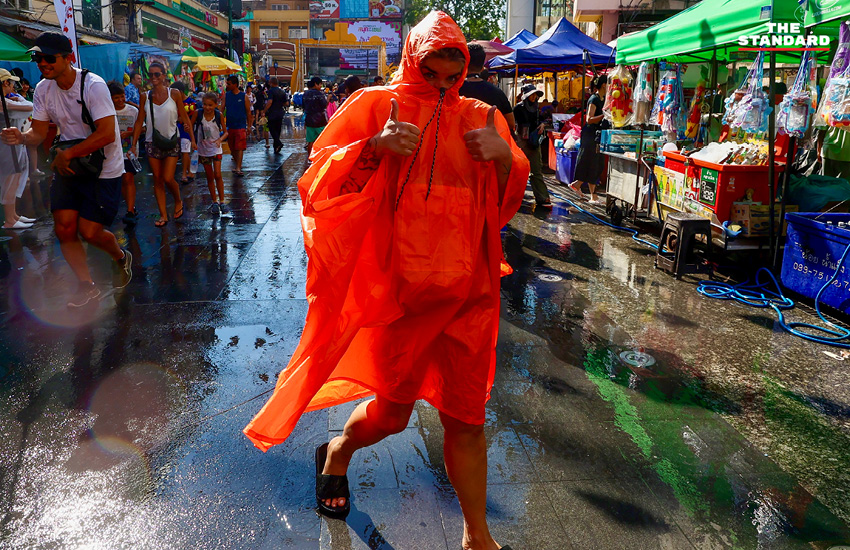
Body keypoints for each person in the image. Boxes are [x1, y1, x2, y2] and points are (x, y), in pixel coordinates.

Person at [243, 12, 530, 550]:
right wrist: (371, 148)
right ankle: (338, 453)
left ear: (464, 66)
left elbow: (508, 198)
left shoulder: (484, 115)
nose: (443, 84)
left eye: (452, 72)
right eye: (432, 71)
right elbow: (318, 182)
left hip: (471, 295)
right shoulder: (374, 105)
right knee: (393, 416)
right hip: (401, 296)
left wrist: (507, 160)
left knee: (467, 418)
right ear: (413, 61)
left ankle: (478, 539)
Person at [1, 32, 132, 307]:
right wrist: (21, 137)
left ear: (68, 58)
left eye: (49, 58)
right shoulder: (42, 90)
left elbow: (108, 133)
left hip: (103, 167)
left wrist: (67, 154)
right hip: (69, 164)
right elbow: (37, 133)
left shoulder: (93, 86)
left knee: (90, 232)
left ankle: (121, 257)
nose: (42, 64)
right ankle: (86, 286)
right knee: (63, 228)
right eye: (38, 58)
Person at [131, 61, 196, 227]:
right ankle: (163, 215)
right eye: (151, 75)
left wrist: (192, 138)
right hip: (152, 142)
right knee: (158, 180)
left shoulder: (174, 94)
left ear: (163, 76)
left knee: (168, 178)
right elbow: (139, 121)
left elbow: (185, 116)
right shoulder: (145, 96)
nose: (153, 77)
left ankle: (178, 200)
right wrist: (133, 144)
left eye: (157, 74)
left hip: (172, 140)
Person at [0, 69, 33, 229]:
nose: (14, 86)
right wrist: (19, 99)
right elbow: (30, 107)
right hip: (5, 146)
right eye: (12, 83)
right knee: (10, 179)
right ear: (6, 83)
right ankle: (9, 220)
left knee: (13, 178)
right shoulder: (3, 102)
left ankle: (13, 215)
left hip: (8, 145)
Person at [459, 43, 515, 132]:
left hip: (457, 142)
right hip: (488, 142)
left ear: (463, 64)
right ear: (482, 67)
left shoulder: (453, 90)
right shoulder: (497, 92)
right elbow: (511, 123)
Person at [570, 74, 607, 204]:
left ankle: (578, 185)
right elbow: (589, 119)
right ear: (603, 85)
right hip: (590, 135)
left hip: (598, 135)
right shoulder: (594, 99)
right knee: (592, 162)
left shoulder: (604, 99)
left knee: (597, 163)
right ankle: (592, 195)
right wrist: (604, 115)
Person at [513, 83, 551, 207]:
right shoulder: (518, 108)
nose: (534, 97)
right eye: (532, 95)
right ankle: (513, 197)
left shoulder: (536, 107)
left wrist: (542, 125)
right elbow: (512, 124)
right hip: (521, 143)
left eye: (535, 94)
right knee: (517, 171)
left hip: (533, 143)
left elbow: (543, 120)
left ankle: (542, 197)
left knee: (536, 171)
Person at [108, 81, 140, 225]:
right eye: (116, 98)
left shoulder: (133, 111)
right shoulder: (107, 112)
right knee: (121, 180)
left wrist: (130, 133)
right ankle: (130, 206)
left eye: (122, 96)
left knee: (128, 179)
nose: (120, 100)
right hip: (113, 152)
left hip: (129, 152)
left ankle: (130, 210)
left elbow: (142, 129)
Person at [194, 92, 231, 218]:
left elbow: (226, 132)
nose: (207, 107)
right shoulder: (198, 114)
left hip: (216, 149)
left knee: (218, 174)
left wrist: (220, 140)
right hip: (203, 149)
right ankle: (214, 201)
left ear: (215, 105)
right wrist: (193, 142)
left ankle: (222, 201)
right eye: (205, 104)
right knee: (210, 176)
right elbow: (189, 126)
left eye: (210, 105)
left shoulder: (218, 115)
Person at [224, 75, 252, 176]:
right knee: (232, 147)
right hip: (230, 125)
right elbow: (221, 109)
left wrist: (249, 126)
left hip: (240, 125)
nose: (227, 85)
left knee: (239, 147)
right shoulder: (226, 95)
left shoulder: (243, 96)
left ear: (235, 84)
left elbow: (248, 112)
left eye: (229, 84)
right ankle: (237, 164)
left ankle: (238, 167)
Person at [171, 82, 198, 184]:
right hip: (176, 129)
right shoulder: (174, 103)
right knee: (182, 152)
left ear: (180, 92)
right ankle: (190, 171)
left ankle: (184, 173)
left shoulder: (191, 103)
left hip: (186, 130)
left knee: (185, 151)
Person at [302, 76, 328, 157]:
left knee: (310, 141)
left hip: (309, 120)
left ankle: (310, 158)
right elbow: (324, 105)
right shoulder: (320, 94)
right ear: (316, 84)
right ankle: (321, 157)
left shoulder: (305, 94)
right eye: (320, 84)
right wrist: (328, 99)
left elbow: (303, 106)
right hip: (320, 120)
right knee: (323, 140)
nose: (321, 86)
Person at [264, 77, 287, 154]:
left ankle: (278, 143)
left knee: (272, 129)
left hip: (272, 113)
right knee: (278, 130)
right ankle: (276, 146)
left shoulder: (271, 91)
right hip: (280, 112)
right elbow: (286, 103)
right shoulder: (282, 91)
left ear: (271, 83)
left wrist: (264, 111)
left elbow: (270, 102)